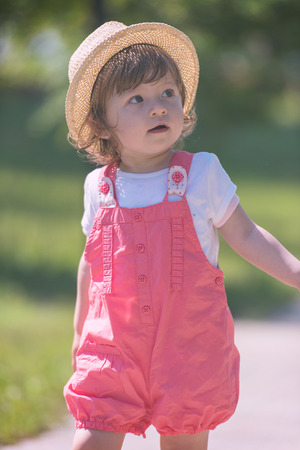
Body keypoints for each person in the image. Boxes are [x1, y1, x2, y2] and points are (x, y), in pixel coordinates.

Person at [63, 21, 300, 450]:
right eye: (136, 98)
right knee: (91, 440)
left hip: (188, 347)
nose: (157, 107)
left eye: (167, 94)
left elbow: (246, 235)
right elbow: (91, 261)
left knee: (184, 444)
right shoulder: (99, 186)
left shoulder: (200, 173)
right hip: (113, 348)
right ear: (101, 124)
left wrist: (296, 273)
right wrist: (80, 331)